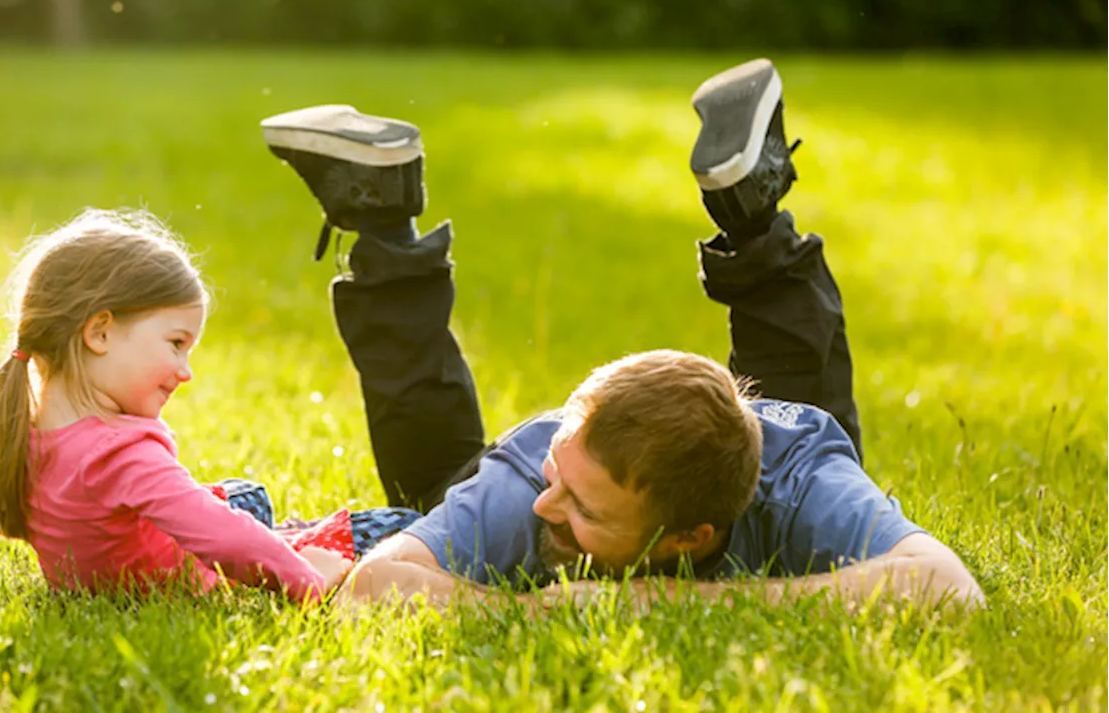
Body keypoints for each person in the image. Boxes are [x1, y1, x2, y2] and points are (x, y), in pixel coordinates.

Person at [260, 58, 984, 610]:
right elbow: (375, 586)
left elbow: (951, 591)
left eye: (585, 509)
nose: (552, 507)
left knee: (808, 421)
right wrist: (542, 611)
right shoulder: (530, 480)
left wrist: (659, 602)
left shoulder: (799, 485)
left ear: (688, 540)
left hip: (772, 462)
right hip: (580, 463)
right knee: (438, 491)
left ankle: (383, 213)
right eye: (563, 482)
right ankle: (750, 206)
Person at [0, 209, 420, 600]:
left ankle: (280, 531)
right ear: (100, 333)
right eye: (176, 343)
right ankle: (295, 539)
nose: (185, 371)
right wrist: (308, 579)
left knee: (246, 495)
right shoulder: (117, 454)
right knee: (396, 525)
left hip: (139, 564)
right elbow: (223, 539)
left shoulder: (28, 430)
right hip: (200, 570)